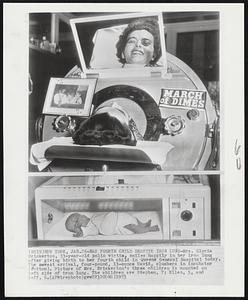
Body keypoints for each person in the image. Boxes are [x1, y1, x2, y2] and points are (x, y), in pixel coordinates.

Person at [72, 102, 143, 146]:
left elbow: (76, 136)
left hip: (111, 115)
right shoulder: (122, 127)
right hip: (116, 116)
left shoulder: (89, 125)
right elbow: (135, 141)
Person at [65, 212, 159, 237]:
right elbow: (86, 233)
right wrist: (80, 233)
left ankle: (143, 224)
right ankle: (149, 229)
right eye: (76, 224)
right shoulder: (90, 227)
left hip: (118, 218)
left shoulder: (93, 217)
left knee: (132, 218)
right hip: (113, 226)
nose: (78, 221)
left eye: (77, 217)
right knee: (132, 227)